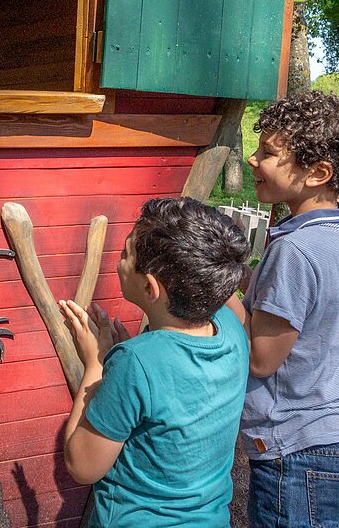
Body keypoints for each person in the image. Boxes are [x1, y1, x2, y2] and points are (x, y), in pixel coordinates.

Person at [58, 197, 250, 527]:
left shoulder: (135, 362)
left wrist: (96, 363)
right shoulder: (232, 327)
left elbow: (82, 466)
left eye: (126, 254)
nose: (120, 261)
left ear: (150, 287)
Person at [241, 91, 339, 528]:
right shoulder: (336, 228)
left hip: (302, 450)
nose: (252, 159)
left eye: (268, 153)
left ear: (318, 173)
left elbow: (262, 358)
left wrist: (215, 285)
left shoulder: (295, 250)